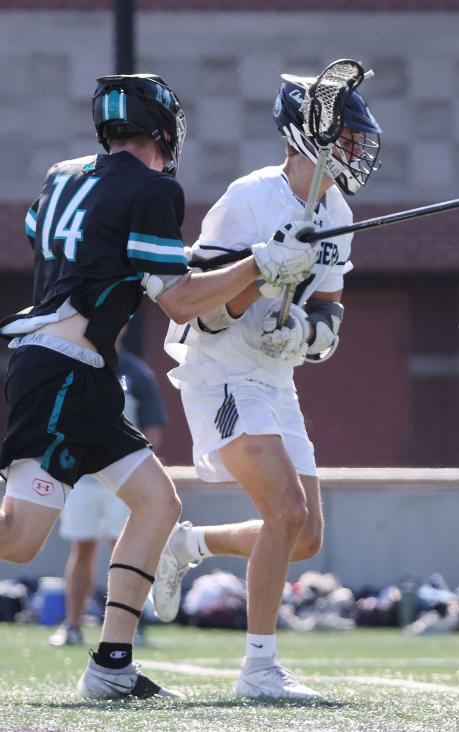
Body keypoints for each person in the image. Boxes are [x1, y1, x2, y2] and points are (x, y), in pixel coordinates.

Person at [0, 73, 321, 700]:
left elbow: (75, 243)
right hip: (65, 371)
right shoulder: (153, 189)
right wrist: (259, 263)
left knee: (158, 503)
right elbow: (177, 302)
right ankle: (112, 663)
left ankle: (111, 665)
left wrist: (211, 263)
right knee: (17, 539)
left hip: (79, 371)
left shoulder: (63, 174)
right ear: (165, 128)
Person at [152, 72, 381, 700]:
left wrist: (308, 334)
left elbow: (331, 304)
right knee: (285, 513)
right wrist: (262, 268)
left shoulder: (338, 211)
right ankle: (259, 670)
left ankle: (188, 543)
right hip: (222, 369)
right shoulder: (248, 198)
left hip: (275, 373)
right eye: (347, 136)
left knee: (304, 536)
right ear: (307, 135)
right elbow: (198, 308)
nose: (359, 147)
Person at [48, 333, 167, 648]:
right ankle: (72, 625)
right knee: (82, 549)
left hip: (125, 481)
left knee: (126, 547)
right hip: (82, 479)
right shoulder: (73, 364)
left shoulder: (137, 373)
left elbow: (153, 429)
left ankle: (128, 628)